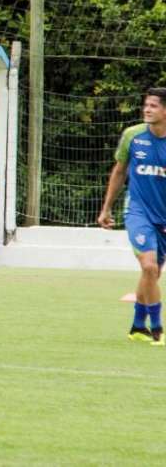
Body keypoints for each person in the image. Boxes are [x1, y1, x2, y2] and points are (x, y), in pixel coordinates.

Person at [98, 88, 166, 345]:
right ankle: (157, 328)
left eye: (154, 106)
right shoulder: (133, 135)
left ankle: (138, 326)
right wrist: (106, 208)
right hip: (137, 211)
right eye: (146, 105)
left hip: (163, 217)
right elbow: (118, 172)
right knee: (148, 266)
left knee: (152, 275)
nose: (147, 109)